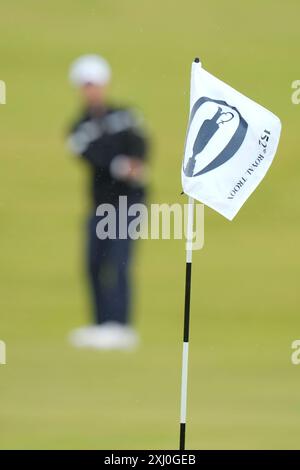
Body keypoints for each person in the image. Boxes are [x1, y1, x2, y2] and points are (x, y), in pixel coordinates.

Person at [67, 55, 149, 350]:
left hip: (129, 201)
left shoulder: (125, 114)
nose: (92, 90)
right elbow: (93, 156)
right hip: (100, 204)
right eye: (86, 85)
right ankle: (101, 325)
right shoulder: (78, 127)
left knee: (119, 260)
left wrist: (135, 162)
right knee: (93, 263)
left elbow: (140, 143)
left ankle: (121, 327)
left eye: (95, 84)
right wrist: (119, 164)